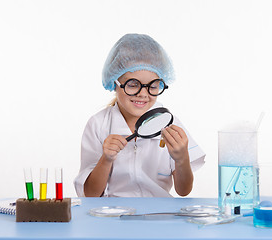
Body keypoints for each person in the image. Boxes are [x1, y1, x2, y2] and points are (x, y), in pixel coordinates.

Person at [74, 33, 205, 197]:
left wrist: (182, 159)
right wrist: (106, 159)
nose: (143, 94)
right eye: (133, 84)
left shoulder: (169, 124)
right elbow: (90, 194)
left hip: (159, 214)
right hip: (115, 215)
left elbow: (184, 191)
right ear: (114, 83)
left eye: (153, 85)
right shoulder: (98, 124)